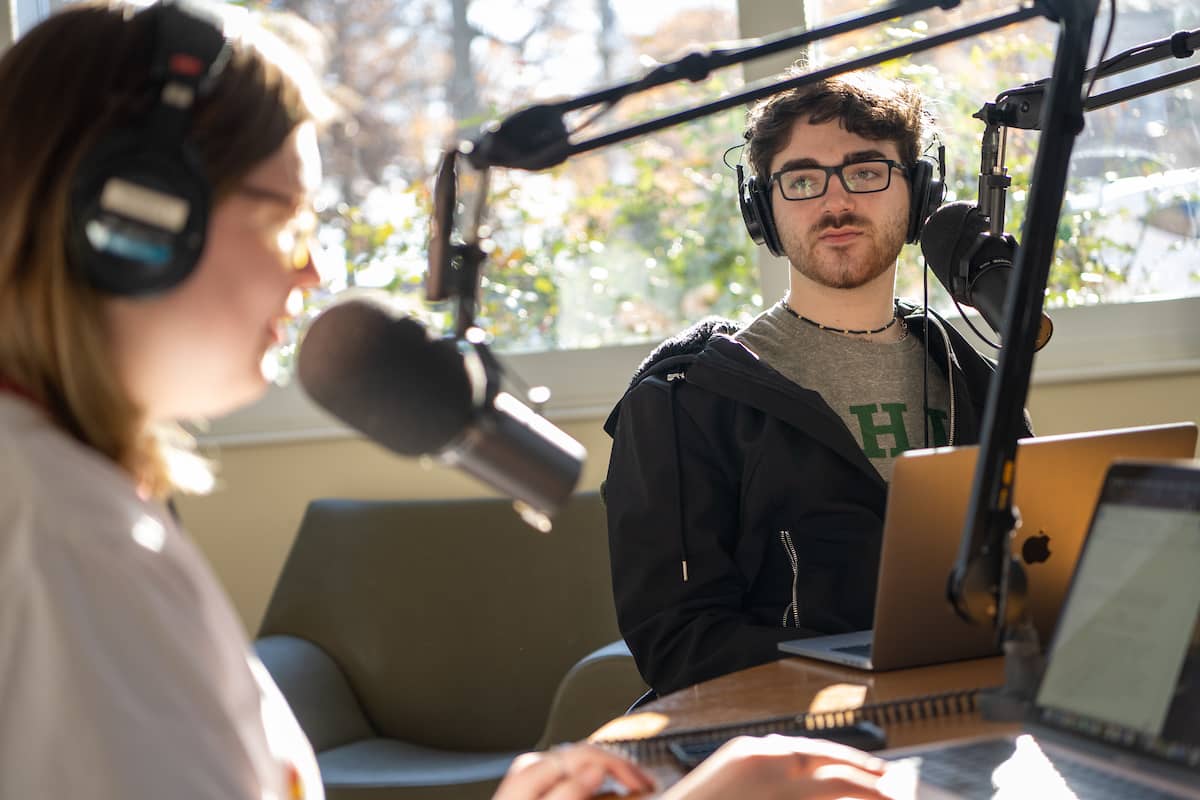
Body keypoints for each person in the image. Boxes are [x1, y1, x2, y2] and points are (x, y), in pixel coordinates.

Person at [0, 4, 909, 799]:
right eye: (286, 219)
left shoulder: (73, 495)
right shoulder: (61, 534)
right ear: (132, 218)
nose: (312, 269)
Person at [603, 70, 1033, 698]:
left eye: (865, 172)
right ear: (763, 211)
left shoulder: (974, 379)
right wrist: (881, 671)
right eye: (802, 180)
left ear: (918, 194)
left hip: (969, 707)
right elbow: (680, 644)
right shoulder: (686, 398)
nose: (836, 204)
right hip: (788, 734)